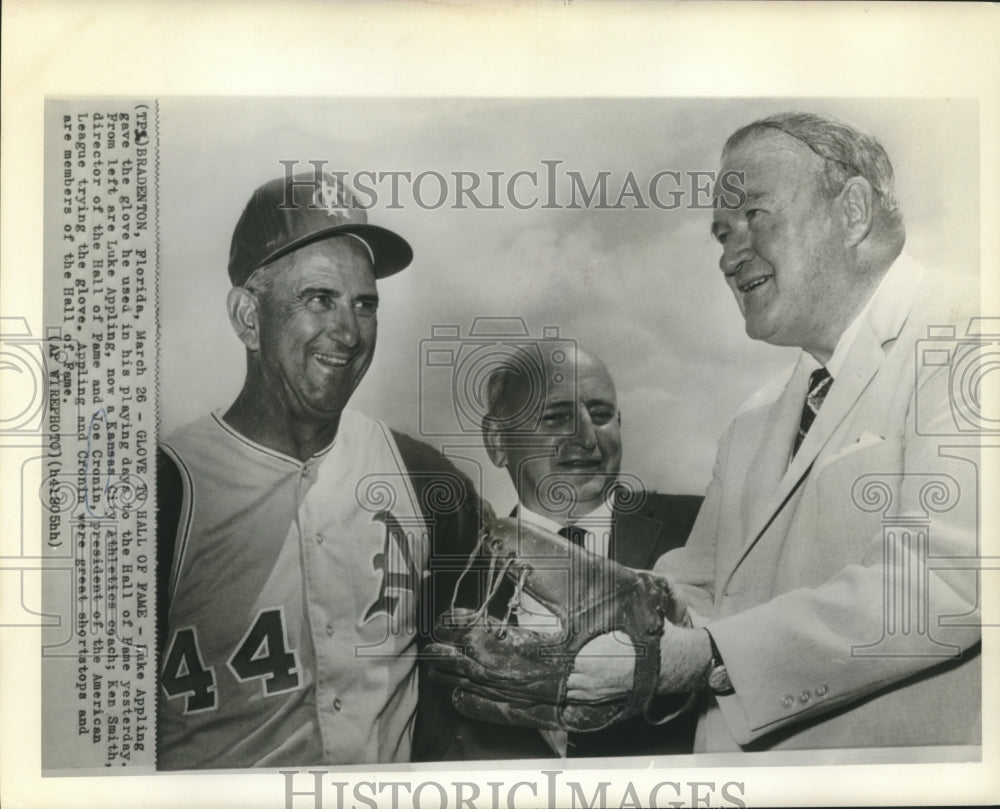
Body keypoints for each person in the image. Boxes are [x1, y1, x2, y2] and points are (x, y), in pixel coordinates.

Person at [567, 112, 981, 751]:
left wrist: (705, 654)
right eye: (722, 233)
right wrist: (596, 617)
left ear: (853, 211)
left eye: (756, 216)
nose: (732, 255)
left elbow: (947, 582)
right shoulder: (755, 418)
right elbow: (704, 586)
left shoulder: (973, 333)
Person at [155, 170, 481, 769]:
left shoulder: (423, 479)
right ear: (247, 317)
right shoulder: (166, 491)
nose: (349, 332)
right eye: (318, 299)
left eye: (365, 303)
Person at [440, 342, 702, 759]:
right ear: (496, 441)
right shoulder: (449, 574)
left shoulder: (702, 527)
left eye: (600, 417)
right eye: (556, 418)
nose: (586, 439)